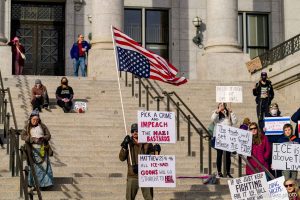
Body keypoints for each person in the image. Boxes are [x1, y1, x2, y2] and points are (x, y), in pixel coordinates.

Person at [119, 123, 161, 200]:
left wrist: (157, 151)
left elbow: (154, 159)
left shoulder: (147, 143)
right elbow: (121, 158)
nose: (135, 132)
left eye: (137, 130)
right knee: (129, 198)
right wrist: (124, 146)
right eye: (133, 131)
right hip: (132, 175)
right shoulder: (128, 143)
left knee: (149, 198)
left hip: (146, 175)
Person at [21, 109, 53, 189]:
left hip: (42, 148)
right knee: (35, 167)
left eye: (37, 120)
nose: (35, 121)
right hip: (32, 150)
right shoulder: (27, 127)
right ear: (30, 119)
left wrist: (43, 138)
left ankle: (45, 184)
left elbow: (48, 135)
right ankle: (34, 184)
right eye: (34, 119)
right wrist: (32, 139)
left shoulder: (42, 126)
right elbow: (22, 136)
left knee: (44, 166)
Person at [211, 103, 238, 178]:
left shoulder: (228, 114)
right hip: (219, 137)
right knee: (219, 154)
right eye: (220, 105)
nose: (222, 106)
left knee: (228, 155)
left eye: (223, 105)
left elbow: (235, 121)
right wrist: (218, 111)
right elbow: (213, 119)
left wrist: (232, 113)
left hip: (228, 137)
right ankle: (219, 171)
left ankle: (228, 172)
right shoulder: (217, 114)